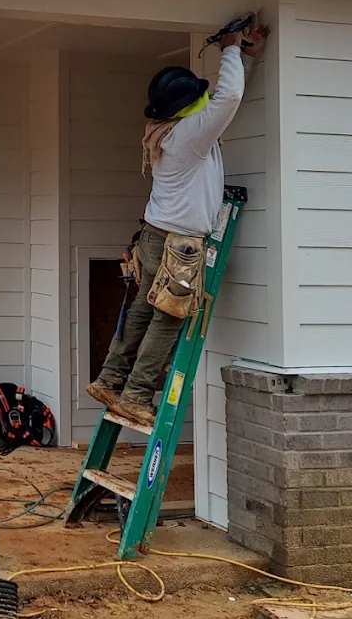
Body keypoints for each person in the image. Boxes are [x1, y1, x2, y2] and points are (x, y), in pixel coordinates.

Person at [86, 22, 270, 426]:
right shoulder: (190, 134)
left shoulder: (168, 129)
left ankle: (110, 378)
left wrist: (245, 56)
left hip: (154, 235)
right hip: (179, 244)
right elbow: (228, 98)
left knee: (143, 310)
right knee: (169, 319)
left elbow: (223, 107)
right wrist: (228, 49)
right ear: (190, 106)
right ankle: (135, 395)